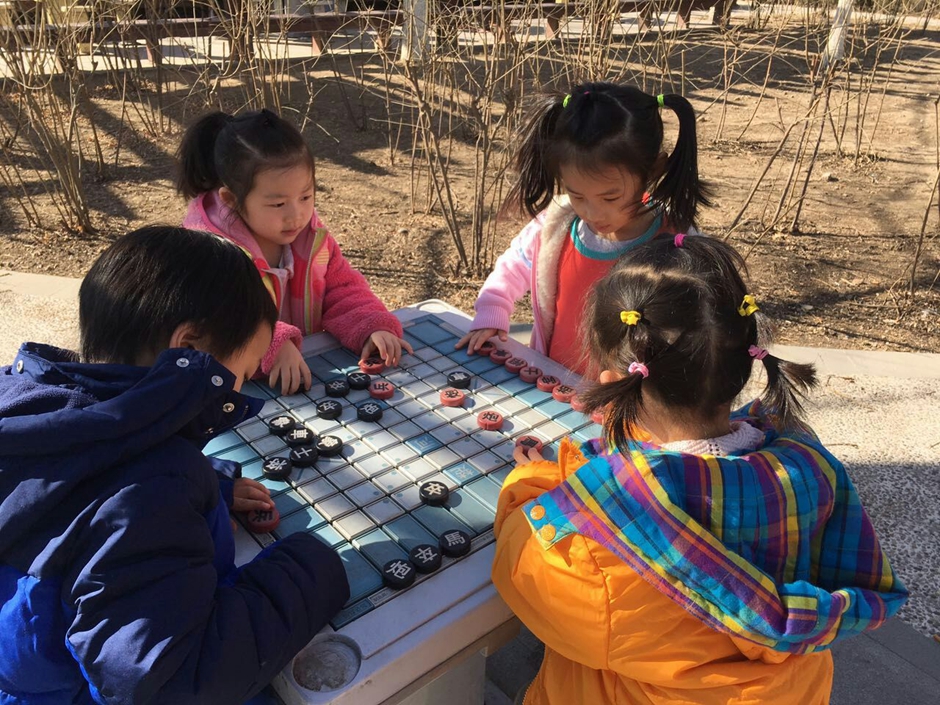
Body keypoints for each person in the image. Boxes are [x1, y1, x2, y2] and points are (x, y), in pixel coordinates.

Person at [491, 235, 908, 705]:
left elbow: (521, 570)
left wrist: (538, 481)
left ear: (613, 384)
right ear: (742, 370)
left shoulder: (600, 520)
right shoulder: (812, 471)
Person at [0, 227, 350, 704]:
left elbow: (75, 485)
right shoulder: (152, 491)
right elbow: (174, 682)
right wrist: (310, 572)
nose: (239, 392)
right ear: (189, 350)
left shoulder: (29, 406)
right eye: (241, 375)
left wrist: (207, 486)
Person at [457, 82, 710, 374]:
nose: (591, 212)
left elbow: (706, 320)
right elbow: (511, 269)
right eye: (577, 195)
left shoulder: (677, 242)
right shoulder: (556, 226)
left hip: (629, 397)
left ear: (653, 169)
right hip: (551, 384)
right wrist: (492, 312)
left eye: (610, 197)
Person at [177, 108, 410, 395]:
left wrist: (370, 324)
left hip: (301, 376)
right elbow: (214, 326)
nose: (296, 215)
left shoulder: (311, 238)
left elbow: (341, 289)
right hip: (236, 392)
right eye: (278, 204)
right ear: (231, 200)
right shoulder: (209, 254)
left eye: (306, 196)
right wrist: (273, 345)